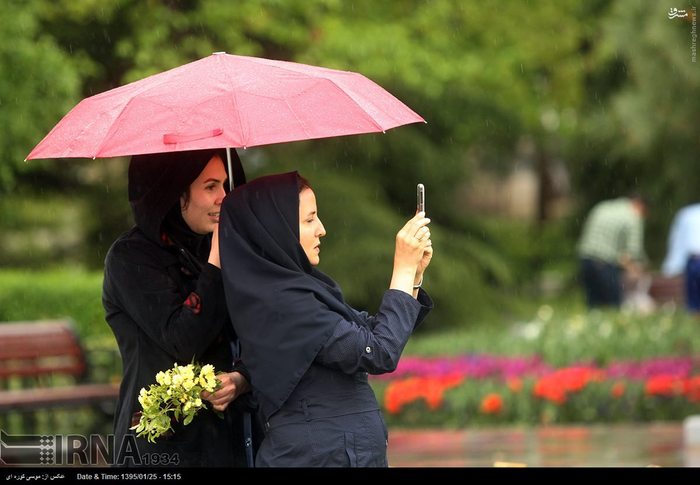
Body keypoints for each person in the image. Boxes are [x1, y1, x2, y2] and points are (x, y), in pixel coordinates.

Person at [218, 171, 433, 467]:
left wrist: (413, 279)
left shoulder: (299, 289)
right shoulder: (284, 302)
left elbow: (370, 331)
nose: (322, 229)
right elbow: (379, 352)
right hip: (320, 456)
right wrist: (402, 269)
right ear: (276, 230)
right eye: (309, 220)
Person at [102, 148, 257, 467]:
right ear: (174, 193)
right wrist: (216, 263)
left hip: (227, 442)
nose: (224, 198)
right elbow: (183, 340)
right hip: (161, 448)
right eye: (211, 186)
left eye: (226, 185)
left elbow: (260, 331)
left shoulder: (219, 246)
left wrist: (241, 378)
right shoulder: (131, 258)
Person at [577, 194, 647, 309]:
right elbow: (633, 252)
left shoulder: (602, 207)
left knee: (593, 302)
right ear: (640, 205)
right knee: (614, 304)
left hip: (585, 258)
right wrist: (638, 269)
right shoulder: (633, 216)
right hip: (605, 263)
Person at [661, 203, 700, 313]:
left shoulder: (687, 213)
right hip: (695, 260)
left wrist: (671, 266)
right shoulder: (687, 213)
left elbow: (677, 241)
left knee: (694, 303)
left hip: (694, 260)